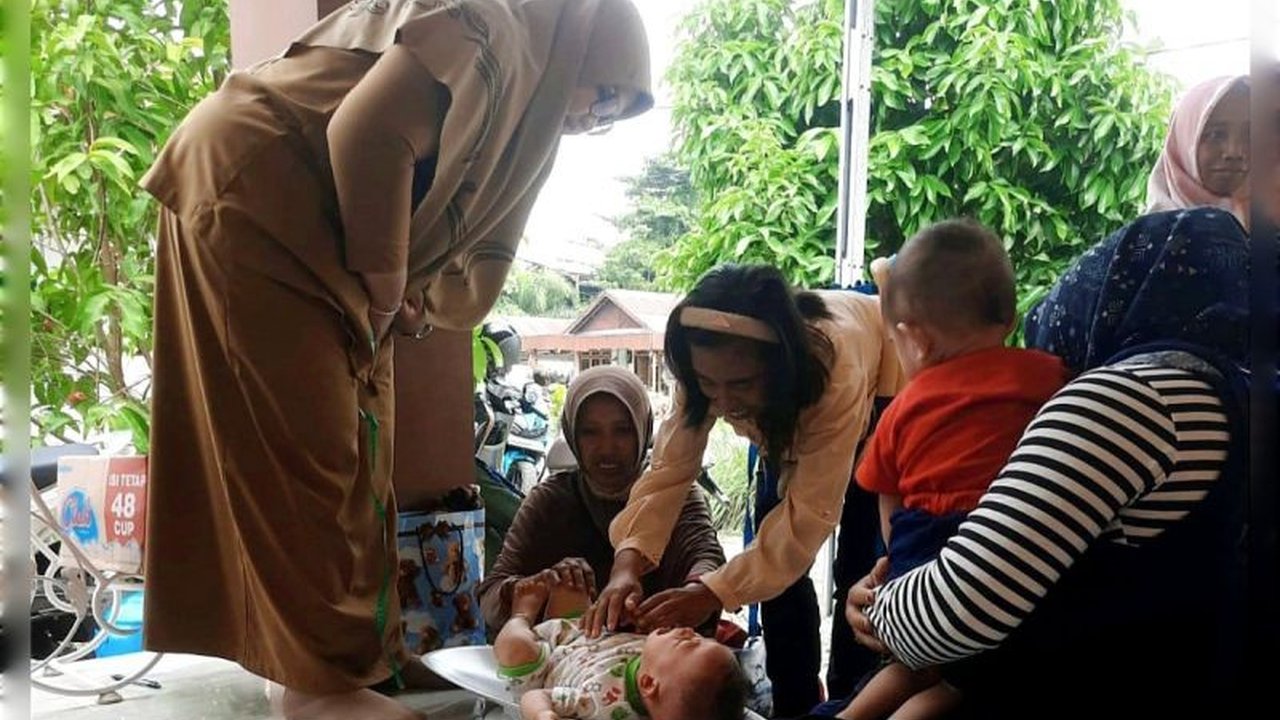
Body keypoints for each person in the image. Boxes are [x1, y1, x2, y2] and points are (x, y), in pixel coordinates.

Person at [139, 2, 653, 719]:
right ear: (582, 51)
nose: (594, 121)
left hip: (318, 238)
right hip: (262, 202)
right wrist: (386, 289)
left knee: (362, 465)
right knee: (311, 462)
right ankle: (321, 685)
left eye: (615, 115)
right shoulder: (500, 28)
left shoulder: (517, 63)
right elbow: (368, 133)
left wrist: (400, 289)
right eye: (605, 95)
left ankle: (336, 662)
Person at [843, 208, 1249, 717]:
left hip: (1058, 669)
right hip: (1182, 673)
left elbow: (950, 616)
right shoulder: (1233, 392)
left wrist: (881, 604)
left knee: (930, 679)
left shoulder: (1122, 400)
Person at [588, 264, 905, 716]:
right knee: (776, 586)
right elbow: (669, 470)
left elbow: (807, 519)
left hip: (882, 397)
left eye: (740, 384)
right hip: (788, 418)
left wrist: (711, 592)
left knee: (859, 573)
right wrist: (627, 564)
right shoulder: (708, 366)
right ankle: (794, 703)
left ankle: (846, 703)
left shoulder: (833, 367)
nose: (723, 402)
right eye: (708, 385)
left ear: (778, 369)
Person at [841, 220, 1067, 719]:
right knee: (962, 681)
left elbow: (884, 488)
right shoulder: (1049, 375)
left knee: (913, 665)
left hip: (926, 540)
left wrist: (896, 564)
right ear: (1007, 318)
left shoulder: (906, 405)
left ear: (915, 339)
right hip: (1012, 539)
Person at [477, 366, 725, 630]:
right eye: (590, 432)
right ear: (572, 434)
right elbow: (490, 598)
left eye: (622, 430)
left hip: (661, 660)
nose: (607, 448)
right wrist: (537, 586)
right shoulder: (549, 501)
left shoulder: (675, 495)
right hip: (569, 665)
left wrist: (696, 594)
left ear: (643, 429)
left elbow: (707, 557)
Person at [495, 572, 749, 720]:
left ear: (648, 684)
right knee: (570, 579)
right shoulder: (656, 659)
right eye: (702, 637)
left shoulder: (597, 703)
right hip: (583, 633)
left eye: (687, 643)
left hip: (545, 660)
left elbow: (535, 697)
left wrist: (543, 715)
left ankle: (521, 614)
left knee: (515, 650)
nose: (689, 630)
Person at [1147, 75, 1250, 226]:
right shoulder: (1141, 243)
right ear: (1182, 143)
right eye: (1216, 135)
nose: (1234, 152)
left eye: (1250, 136)